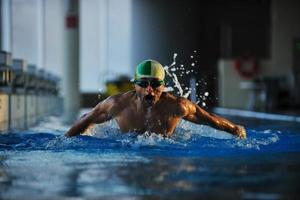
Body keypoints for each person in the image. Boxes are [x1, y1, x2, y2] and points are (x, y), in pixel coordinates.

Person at [65, 59, 246, 139]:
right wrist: (64, 140)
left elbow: (211, 120)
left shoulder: (178, 107)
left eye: (155, 83)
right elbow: (87, 119)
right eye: (143, 83)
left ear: (163, 84)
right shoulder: (117, 104)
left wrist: (235, 129)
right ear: (134, 84)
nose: (149, 89)